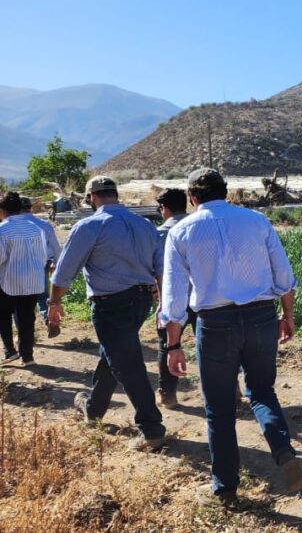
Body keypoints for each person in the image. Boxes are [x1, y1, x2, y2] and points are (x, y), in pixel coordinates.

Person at [162, 168, 302, 502]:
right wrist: (287, 316)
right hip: (261, 317)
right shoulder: (256, 221)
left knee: (220, 409)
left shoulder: (181, 232)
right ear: (226, 193)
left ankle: (225, 488)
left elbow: (174, 297)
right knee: (262, 392)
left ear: (192, 197)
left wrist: (173, 344)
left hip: (215, 324)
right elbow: (283, 275)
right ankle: (283, 450)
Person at [48, 176, 167, 450]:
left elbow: (64, 273)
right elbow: (160, 268)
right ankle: (93, 409)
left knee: (127, 363)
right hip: (141, 301)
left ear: (91, 197)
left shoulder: (90, 225)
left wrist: (54, 303)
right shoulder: (145, 224)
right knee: (114, 352)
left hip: (111, 302)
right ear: (116, 194)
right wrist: (161, 300)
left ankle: (151, 428)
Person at [0, 192, 49, 365]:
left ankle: (10, 351)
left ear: (3, 210)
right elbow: (43, 256)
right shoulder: (36, 229)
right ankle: (27, 356)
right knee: (27, 318)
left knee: (3, 315)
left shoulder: (2, 229)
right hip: (33, 282)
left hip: (9, 282)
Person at [153, 188, 190, 409]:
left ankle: (168, 395)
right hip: (203, 298)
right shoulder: (198, 227)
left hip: (172, 297)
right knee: (214, 345)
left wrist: (160, 301)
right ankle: (231, 391)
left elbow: (156, 270)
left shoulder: (158, 234)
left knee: (167, 343)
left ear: (163, 209)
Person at [18, 196, 61, 338]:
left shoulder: (11, 225)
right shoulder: (44, 224)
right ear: (30, 208)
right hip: (41, 263)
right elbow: (55, 247)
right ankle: (48, 319)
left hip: (18, 266)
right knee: (42, 297)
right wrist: (56, 263)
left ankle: (25, 335)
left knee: (20, 302)